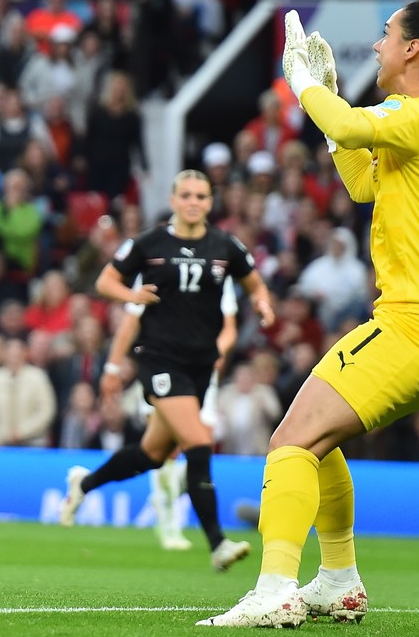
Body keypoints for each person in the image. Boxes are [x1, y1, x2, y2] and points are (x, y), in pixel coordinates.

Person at [200, 5, 419, 627]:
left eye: (387, 34)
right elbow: (362, 181)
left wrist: (302, 84)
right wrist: (329, 104)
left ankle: (276, 589)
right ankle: (338, 580)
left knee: (289, 441)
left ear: (413, 50)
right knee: (318, 438)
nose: (379, 45)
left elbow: (356, 130)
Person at [60, 170, 275, 573]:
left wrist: (262, 303)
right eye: (186, 195)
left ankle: (82, 485)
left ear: (211, 203)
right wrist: (131, 295)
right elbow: (106, 280)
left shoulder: (225, 246)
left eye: (201, 196)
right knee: (197, 441)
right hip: (159, 359)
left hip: (199, 364)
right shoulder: (150, 243)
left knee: (153, 454)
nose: (193, 202)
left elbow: (255, 284)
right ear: (174, 200)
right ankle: (217, 543)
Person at [100, 275, 240, 552]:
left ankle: (164, 497)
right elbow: (131, 321)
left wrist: (213, 352)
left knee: (201, 445)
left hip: (200, 370)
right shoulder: (154, 265)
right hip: (161, 366)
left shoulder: (217, 270)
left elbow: (229, 329)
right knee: (166, 450)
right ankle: (168, 523)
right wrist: (113, 367)